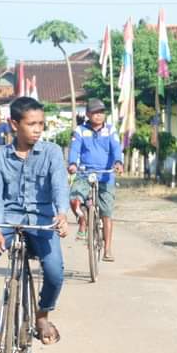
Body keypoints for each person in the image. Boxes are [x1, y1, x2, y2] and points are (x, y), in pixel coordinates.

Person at [0, 96, 70, 353]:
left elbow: (59, 185)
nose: (38, 129)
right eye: (31, 124)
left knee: (55, 271)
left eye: (41, 124)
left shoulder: (52, 153)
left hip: (42, 221)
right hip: (7, 220)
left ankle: (43, 315)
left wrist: (61, 214)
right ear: (14, 124)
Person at [67, 99, 124, 261]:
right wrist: (72, 164)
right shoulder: (80, 131)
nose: (99, 116)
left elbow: (115, 148)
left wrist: (118, 162)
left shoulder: (111, 130)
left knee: (106, 213)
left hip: (106, 175)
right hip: (84, 174)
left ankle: (107, 249)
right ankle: (83, 220)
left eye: (101, 112)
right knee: (74, 198)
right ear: (88, 115)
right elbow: (75, 149)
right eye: (95, 113)